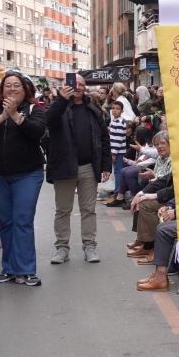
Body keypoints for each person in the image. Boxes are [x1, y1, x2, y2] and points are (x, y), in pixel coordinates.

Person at [0, 72, 48, 287]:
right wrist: (4, 115)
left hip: (27, 174)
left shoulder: (34, 109)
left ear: (25, 90)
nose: (12, 89)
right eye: (8, 85)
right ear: (2, 89)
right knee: (4, 220)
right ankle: (9, 268)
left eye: (17, 86)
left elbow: (37, 132)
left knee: (22, 219)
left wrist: (15, 115)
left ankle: (26, 269)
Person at [46, 74, 111, 264]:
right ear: (67, 86)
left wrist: (106, 165)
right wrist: (61, 99)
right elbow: (49, 121)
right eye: (75, 84)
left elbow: (104, 138)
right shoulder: (59, 107)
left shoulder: (93, 109)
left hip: (88, 167)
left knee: (88, 210)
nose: (79, 87)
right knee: (63, 210)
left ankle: (90, 246)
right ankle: (62, 248)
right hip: (64, 167)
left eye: (82, 84)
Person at [126, 132, 173, 270]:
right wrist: (142, 192)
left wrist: (148, 191)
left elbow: (166, 184)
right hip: (161, 190)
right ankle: (142, 240)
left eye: (163, 143)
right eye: (157, 144)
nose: (159, 147)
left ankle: (151, 246)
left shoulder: (175, 160)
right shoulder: (160, 158)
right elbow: (159, 180)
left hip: (170, 197)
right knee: (139, 198)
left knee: (146, 204)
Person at [105, 102, 129, 206]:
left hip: (117, 151)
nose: (115, 110)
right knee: (116, 172)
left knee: (118, 172)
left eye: (117, 109)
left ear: (122, 111)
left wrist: (113, 153)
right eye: (113, 108)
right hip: (116, 150)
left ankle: (118, 194)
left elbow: (118, 140)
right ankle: (117, 192)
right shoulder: (115, 121)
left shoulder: (119, 122)